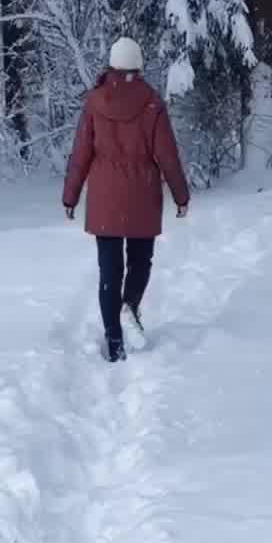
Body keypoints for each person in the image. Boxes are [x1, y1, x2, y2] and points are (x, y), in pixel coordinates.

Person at [62, 36, 190, 362]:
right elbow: (168, 155)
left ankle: (114, 340)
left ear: (111, 65)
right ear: (138, 65)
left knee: (109, 271)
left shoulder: (95, 102)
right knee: (140, 262)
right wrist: (180, 195)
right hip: (142, 196)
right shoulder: (151, 103)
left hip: (105, 198)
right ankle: (130, 307)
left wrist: (70, 195)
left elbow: (81, 153)